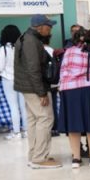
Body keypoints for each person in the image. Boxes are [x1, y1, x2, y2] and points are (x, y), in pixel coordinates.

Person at [57, 29, 90, 169]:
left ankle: (76, 159)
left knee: (73, 126)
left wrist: (62, 89)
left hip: (69, 91)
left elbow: (62, 72)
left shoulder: (69, 51)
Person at [15, 15, 61, 169]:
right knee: (45, 118)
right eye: (49, 26)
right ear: (40, 26)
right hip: (34, 87)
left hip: (27, 86)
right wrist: (41, 92)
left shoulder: (25, 38)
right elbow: (33, 69)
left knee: (34, 120)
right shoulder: (31, 41)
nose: (50, 29)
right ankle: (40, 158)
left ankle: (34, 155)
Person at [0, 25, 27, 140]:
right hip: (22, 79)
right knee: (23, 106)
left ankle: (16, 133)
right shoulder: (23, 47)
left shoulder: (3, 49)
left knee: (13, 107)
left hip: (8, 79)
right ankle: (27, 131)